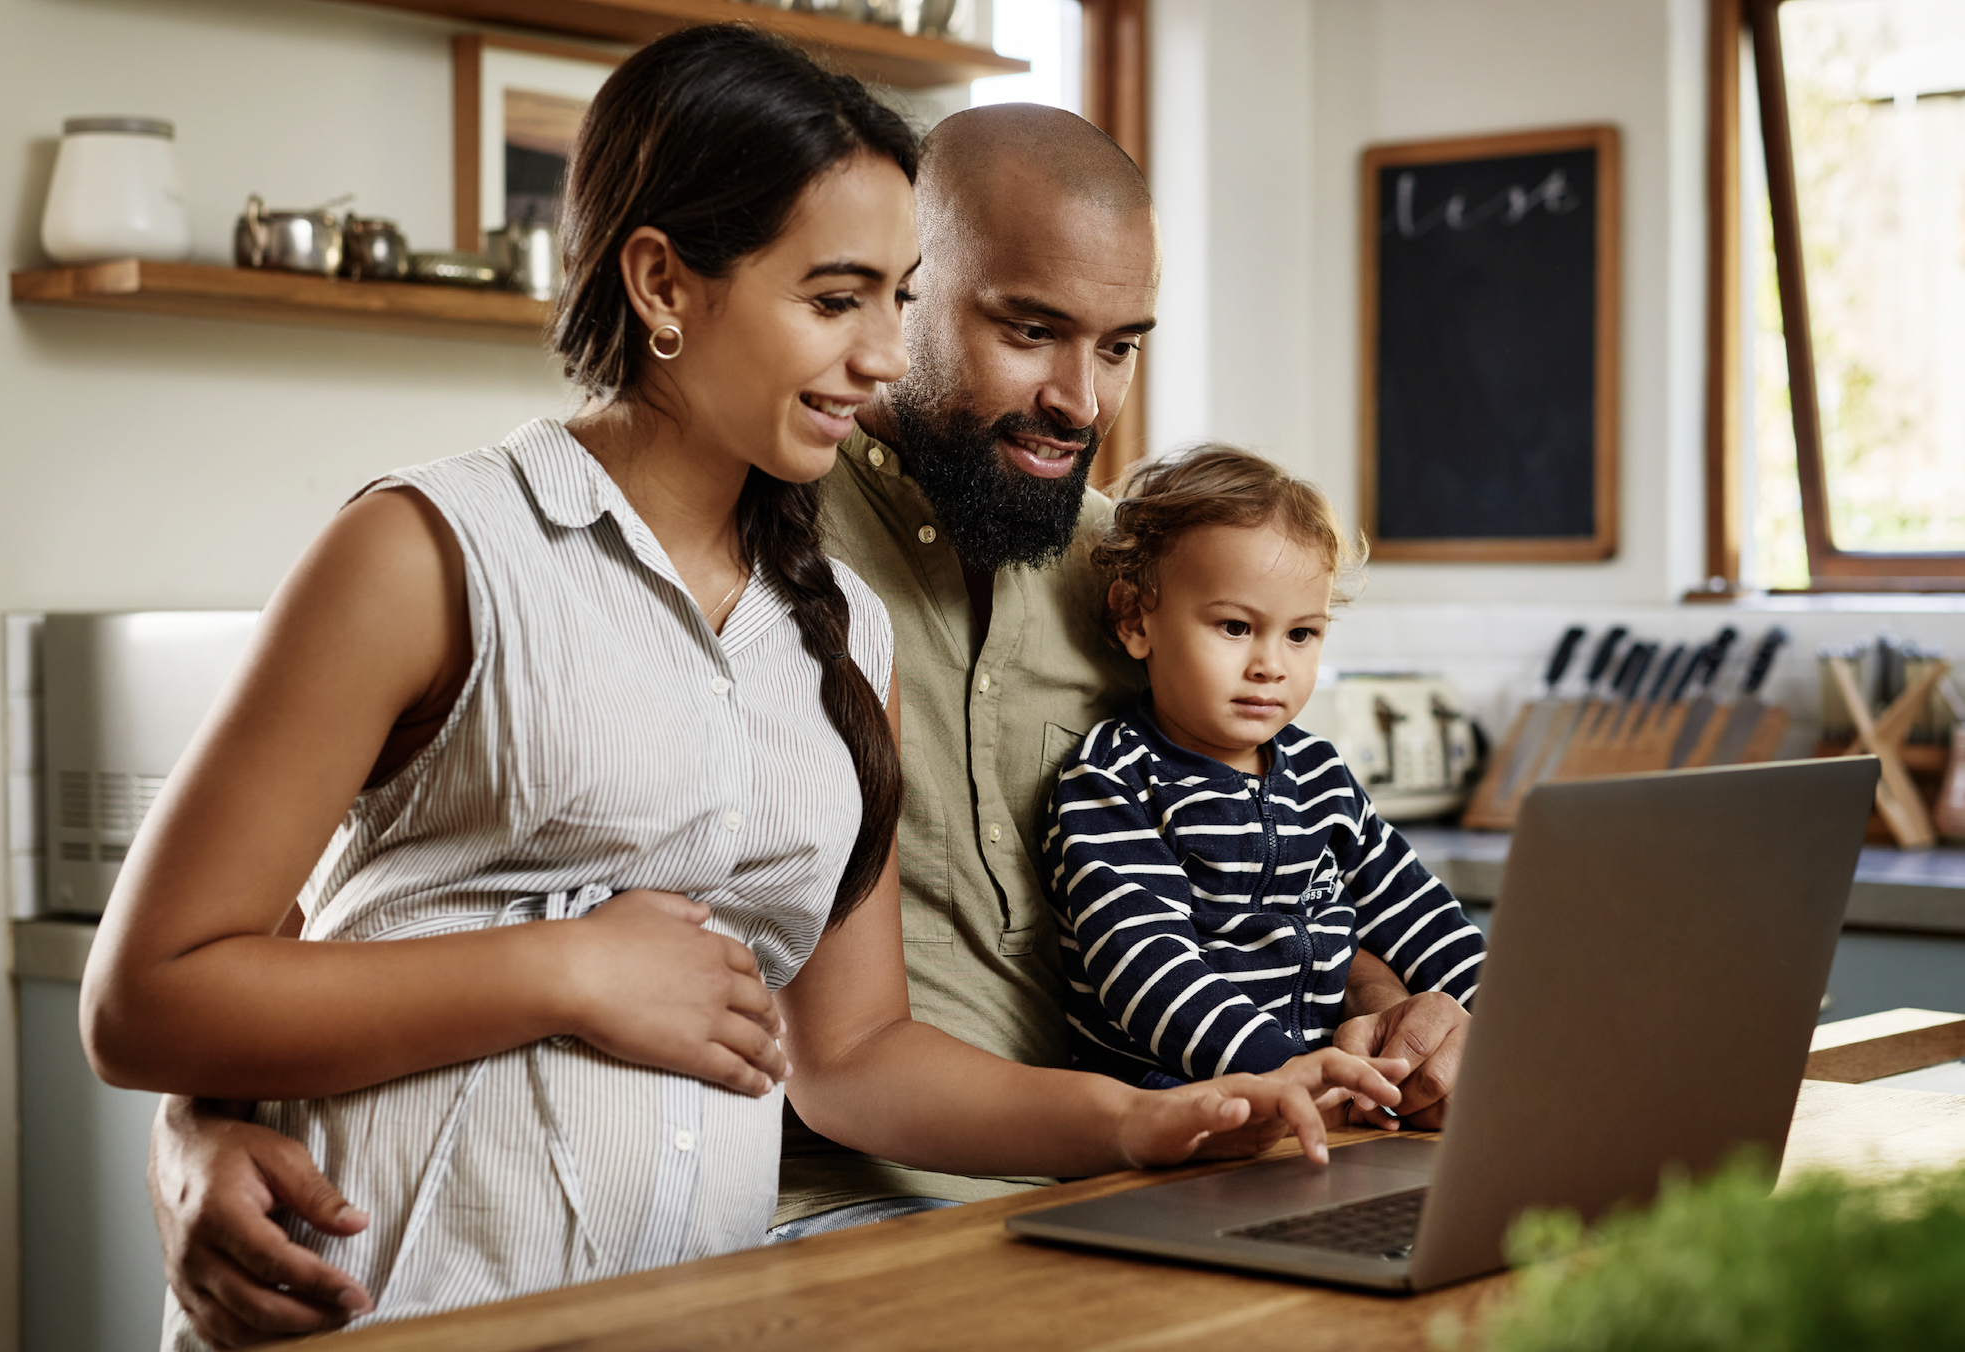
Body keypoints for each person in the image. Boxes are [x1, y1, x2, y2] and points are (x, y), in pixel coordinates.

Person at [103, 35, 1410, 1348]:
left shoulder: (872, 626)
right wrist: (541, 979)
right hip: (430, 1297)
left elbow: (848, 1055)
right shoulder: (440, 548)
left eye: (893, 300)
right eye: (838, 299)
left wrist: (1154, 1116)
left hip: (711, 1295)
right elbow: (173, 978)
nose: (880, 355)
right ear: (662, 283)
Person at [1045, 446, 1485, 1092]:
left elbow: (1417, 913)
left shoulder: (1319, 774)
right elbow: (1149, 974)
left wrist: (1506, 1018)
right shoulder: (1113, 781)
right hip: (1176, 1094)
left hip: (1321, 1082)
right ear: (1135, 619)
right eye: (1234, 626)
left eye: (1300, 634)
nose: (1270, 664)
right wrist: (1288, 1072)